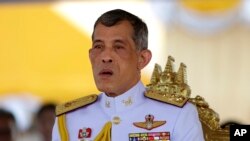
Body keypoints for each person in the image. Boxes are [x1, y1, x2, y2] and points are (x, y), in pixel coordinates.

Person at [52, 9, 204, 141]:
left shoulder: (178, 114)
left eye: (118, 47)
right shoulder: (69, 120)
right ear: (91, 56)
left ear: (142, 59)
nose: (106, 57)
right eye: (99, 46)